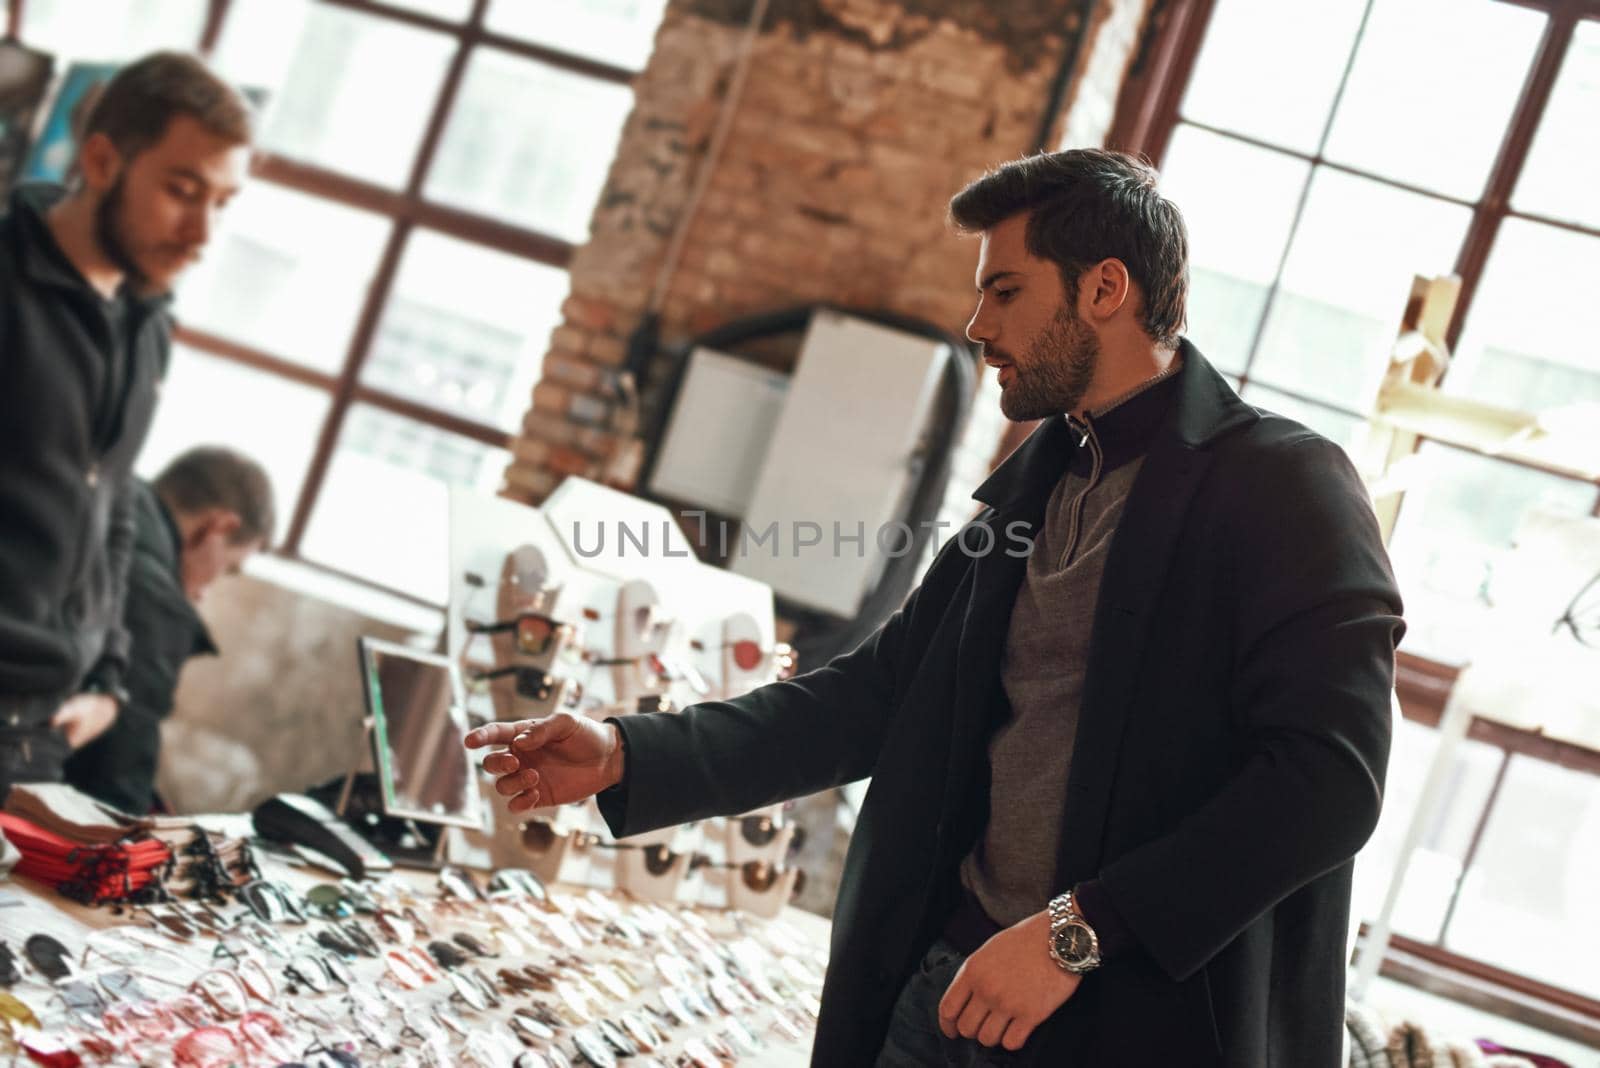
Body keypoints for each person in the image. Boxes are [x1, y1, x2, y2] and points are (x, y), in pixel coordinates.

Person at [466, 149, 1404, 1067]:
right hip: (948, 988)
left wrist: (1074, 935)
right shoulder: (1036, 488)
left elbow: (1328, 782)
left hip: (1130, 1021)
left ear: (1105, 290)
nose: (975, 325)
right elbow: (872, 698)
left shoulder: (1284, 486)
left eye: (1005, 292)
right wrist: (629, 751)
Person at [0, 53, 252, 798]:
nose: (202, 232)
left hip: (39, 741)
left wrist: (109, 677)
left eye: (223, 202)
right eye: (182, 190)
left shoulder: (145, 326)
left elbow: (111, 509)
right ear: (103, 159)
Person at [64, 447, 274, 814]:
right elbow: (114, 783)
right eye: (229, 568)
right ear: (219, 527)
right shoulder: (156, 602)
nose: (208, 589)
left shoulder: (95, 491)